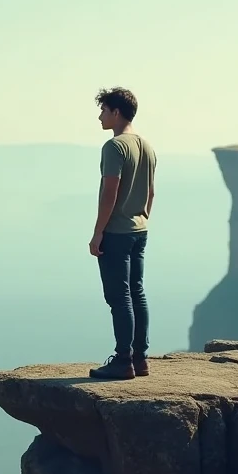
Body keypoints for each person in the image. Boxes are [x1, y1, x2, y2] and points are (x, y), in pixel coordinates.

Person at [87, 86, 156, 380]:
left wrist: (97, 232)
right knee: (137, 292)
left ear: (116, 112)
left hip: (116, 232)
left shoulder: (114, 147)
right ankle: (140, 359)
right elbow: (151, 192)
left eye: (103, 110)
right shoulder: (147, 146)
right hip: (140, 230)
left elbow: (110, 192)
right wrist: (140, 218)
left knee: (119, 297)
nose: (100, 116)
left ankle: (123, 361)